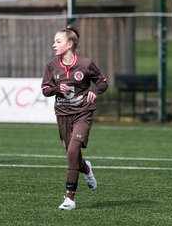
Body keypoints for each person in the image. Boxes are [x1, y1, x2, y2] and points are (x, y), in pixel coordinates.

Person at [41, 25, 108, 210]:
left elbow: (102, 82)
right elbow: (45, 90)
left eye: (58, 41)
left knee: (72, 152)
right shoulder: (52, 66)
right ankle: (86, 169)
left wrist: (94, 91)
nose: (54, 44)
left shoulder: (86, 64)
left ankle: (69, 199)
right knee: (73, 155)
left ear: (69, 44)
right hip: (62, 115)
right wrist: (56, 89)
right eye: (54, 41)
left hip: (83, 113)